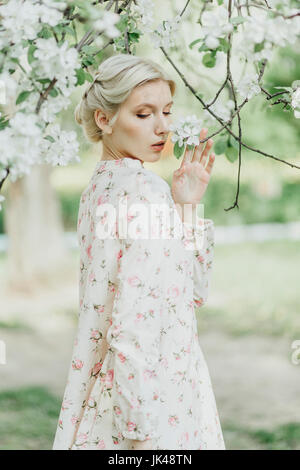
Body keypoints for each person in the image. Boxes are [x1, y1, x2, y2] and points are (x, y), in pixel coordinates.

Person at [52, 53, 225, 450]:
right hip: (153, 400)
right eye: (144, 114)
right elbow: (134, 324)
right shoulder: (143, 192)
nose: (163, 127)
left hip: (114, 387)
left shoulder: (97, 188)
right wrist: (138, 431)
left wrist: (186, 207)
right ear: (104, 119)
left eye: (166, 111)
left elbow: (188, 291)